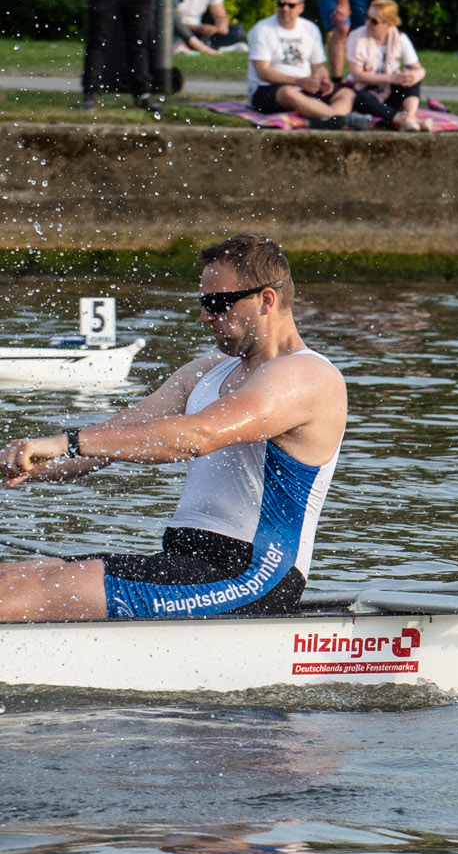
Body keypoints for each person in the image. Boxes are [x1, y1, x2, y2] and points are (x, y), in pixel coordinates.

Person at [0, 234, 347, 621]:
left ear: (266, 300)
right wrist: (21, 465)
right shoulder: (204, 372)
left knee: (28, 591)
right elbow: (109, 440)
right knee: (16, 578)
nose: (205, 316)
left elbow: (196, 437)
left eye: (218, 303)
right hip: (186, 563)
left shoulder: (307, 376)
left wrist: (69, 441)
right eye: (203, 304)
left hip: (254, 576)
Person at [247, 0, 355, 122]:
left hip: (303, 87)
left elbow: (319, 66)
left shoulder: (310, 29)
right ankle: (339, 118)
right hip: (268, 90)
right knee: (288, 92)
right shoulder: (262, 30)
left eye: (291, 5)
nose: (285, 8)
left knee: (347, 93)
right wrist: (298, 81)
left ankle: (332, 118)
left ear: (301, 8)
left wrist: (322, 80)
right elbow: (262, 72)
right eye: (281, 4)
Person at [344, 0, 427, 131]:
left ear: (389, 24)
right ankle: (403, 120)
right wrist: (390, 78)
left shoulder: (399, 38)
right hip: (365, 89)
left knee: (411, 79)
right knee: (362, 99)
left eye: (374, 21)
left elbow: (418, 68)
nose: (367, 23)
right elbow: (357, 75)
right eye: (367, 17)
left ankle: (410, 115)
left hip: (390, 90)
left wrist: (413, 75)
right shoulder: (357, 37)